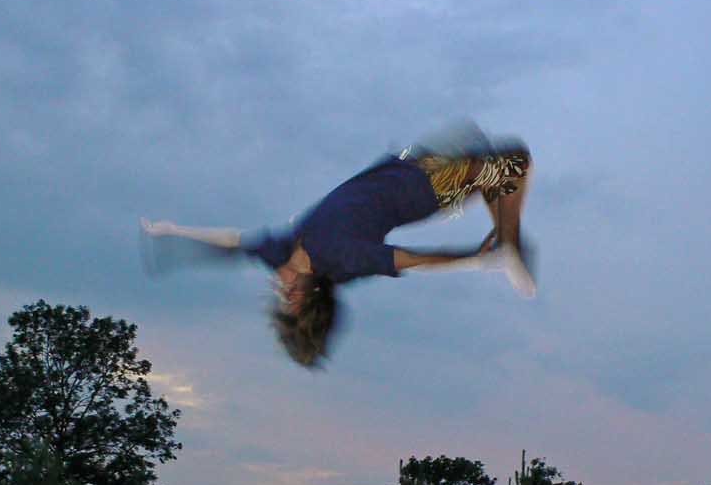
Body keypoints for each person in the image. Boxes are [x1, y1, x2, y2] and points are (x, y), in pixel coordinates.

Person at [140, 122, 535, 366]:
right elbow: (414, 260)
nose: (281, 289)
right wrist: (472, 260)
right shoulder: (344, 260)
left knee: (477, 147)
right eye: (291, 297)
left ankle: (506, 242)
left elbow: (228, 244)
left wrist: (173, 232)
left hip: (408, 163)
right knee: (513, 162)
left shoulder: (278, 249)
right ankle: (508, 248)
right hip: (427, 188)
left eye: (280, 299)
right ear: (312, 294)